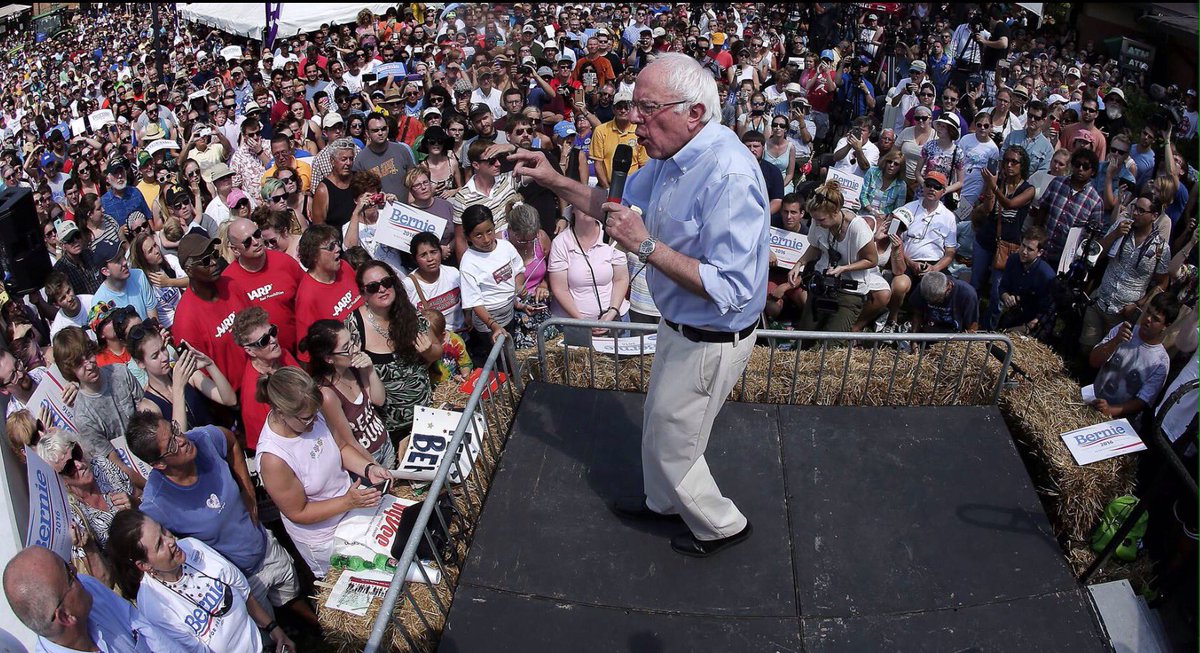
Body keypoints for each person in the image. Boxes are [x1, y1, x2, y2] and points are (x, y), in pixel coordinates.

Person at [511, 53, 764, 557]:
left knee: (675, 444)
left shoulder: (728, 175)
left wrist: (645, 246)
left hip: (710, 337)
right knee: (657, 421)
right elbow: (613, 206)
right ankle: (662, 503)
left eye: (648, 109)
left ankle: (720, 526)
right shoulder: (672, 156)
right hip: (677, 325)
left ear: (694, 113)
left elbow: (731, 286)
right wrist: (554, 180)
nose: (635, 121)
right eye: (633, 106)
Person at [126, 411, 316, 629]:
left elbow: (231, 442)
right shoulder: (157, 503)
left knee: (292, 596)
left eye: (175, 429)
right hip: (239, 583)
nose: (182, 440)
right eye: (171, 444)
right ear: (159, 464)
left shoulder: (203, 439)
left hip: (265, 548)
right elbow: (150, 551)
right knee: (269, 630)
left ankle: (311, 627)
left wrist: (247, 489)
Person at [254, 367, 388, 577]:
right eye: (307, 418)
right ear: (281, 413)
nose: (314, 422)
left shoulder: (313, 411)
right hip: (325, 537)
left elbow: (341, 447)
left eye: (315, 413)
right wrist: (347, 502)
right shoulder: (274, 459)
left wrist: (368, 468)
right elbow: (298, 512)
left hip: (352, 509)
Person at [106, 510, 293, 653]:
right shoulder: (154, 607)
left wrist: (273, 628)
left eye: (163, 530)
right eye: (159, 544)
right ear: (144, 565)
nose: (170, 540)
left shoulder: (192, 546)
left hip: (259, 640)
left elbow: (242, 590)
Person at [345, 261, 440, 442]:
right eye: (373, 287)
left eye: (386, 282)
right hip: (388, 429)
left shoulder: (408, 313)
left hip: (425, 415)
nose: (382, 289)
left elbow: (437, 351)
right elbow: (350, 378)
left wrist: (428, 351)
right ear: (363, 293)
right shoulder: (353, 326)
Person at [3, 545, 156, 653]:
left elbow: (149, 633)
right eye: (70, 576)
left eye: (67, 565)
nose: (75, 570)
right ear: (65, 616)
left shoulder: (89, 588)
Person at [52, 326, 146, 489]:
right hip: (135, 473)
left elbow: (148, 412)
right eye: (79, 364)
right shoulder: (83, 416)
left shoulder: (120, 372)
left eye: (88, 355)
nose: (89, 365)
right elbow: (116, 464)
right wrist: (148, 484)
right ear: (70, 370)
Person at [1081, 192, 1171, 351]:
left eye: (1141, 211)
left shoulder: (1161, 248)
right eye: (1135, 208)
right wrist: (1115, 234)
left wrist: (1139, 304)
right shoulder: (1121, 227)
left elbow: (1162, 283)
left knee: (1107, 355)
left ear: (1154, 216)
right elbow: (1096, 254)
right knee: (1085, 348)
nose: (1135, 213)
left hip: (1122, 315)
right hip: (1100, 300)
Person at [300, 319, 396, 467]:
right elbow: (349, 443)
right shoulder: (327, 395)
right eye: (346, 347)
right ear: (329, 358)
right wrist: (375, 468)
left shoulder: (354, 367)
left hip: (385, 443)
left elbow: (379, 400)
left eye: (352, 340)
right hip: (368, 459)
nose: (355, 348)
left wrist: (370, 370)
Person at [786, 182, 876, 333]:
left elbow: (872, 260)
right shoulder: (817, 220)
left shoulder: (857, 227)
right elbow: (815, 245)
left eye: (821, 220)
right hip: (822, 284)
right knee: (806, 335)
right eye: (815, 219)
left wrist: (844, 268)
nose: (817, 224)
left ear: (835, 211)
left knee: (832, 342)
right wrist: (799, 264)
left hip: (850, 289)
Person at [171, 233, 251, 392]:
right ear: (189, 270)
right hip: (233, 396)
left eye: (214, 254)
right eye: (206, 261)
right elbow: (201, 377)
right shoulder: (185, 320)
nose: (214, 262)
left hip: (260, 375)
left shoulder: (231, 284)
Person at [884, 171, 958, 332]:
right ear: (923, 187)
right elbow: (895, 240)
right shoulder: (907, 209)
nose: (932, 189)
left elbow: (950, 253)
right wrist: (911, 263)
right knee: (899, 285)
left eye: (937, 187)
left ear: (943, 191)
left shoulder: (949, 217)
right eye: (928, 185)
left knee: (948, 288)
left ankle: (930, 325)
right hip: (907, 260)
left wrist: (935, 268)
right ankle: (892, 320)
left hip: (934, 264)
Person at [973, 145, 1036, 329]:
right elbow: (987, 209)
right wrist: (990, 186)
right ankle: (971, 323)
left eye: (1014, 162)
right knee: (976, 284)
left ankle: (989, 330)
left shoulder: (1028, 189)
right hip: (986, 240)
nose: (1009, 165)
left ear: (1022, 165)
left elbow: (1010, 204)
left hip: (1008, 246)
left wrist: (992, 185)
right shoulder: (997, 181)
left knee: (997, 293)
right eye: (1006, 161)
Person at [128, 324, 234, 432]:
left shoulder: (187, 374)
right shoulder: (148, 407)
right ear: (140, 363)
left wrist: (210, 365)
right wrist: (178, 389)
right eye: (155, 356)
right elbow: (178, 438)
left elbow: (230, 400)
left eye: (163, 349)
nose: (164, 357)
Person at [548, 206, 630, 345]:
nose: (588, 208)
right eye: (581, 204)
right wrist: (583, 322)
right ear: (572, 210)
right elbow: (560, 288)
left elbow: (621, 279)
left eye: (591, 204)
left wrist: (611, 313)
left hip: (615, 320)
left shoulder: (613, 236)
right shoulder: (560, 243)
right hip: (574, 326)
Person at [1088, 295, 1178, 419]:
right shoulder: (1123, 330)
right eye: (1148, 312)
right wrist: (1115, 341)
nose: (1148, 319)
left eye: (1155, 319)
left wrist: (1110, 410)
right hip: (1091, 399)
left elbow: (1142, 401)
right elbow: (1093, 361)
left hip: (1117, 418)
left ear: (1166, 326)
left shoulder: (1161, 362)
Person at [223, 218, 304, 354]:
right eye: (247, 242)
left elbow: (308, 298)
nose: (255, 242)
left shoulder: (284, 262)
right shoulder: (228, 282)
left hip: (301, 348)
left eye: (257, 234)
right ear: (235, 250)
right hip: (264, 359)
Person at [458, 204, 526, 363]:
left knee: (511, 353)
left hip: (509, 311)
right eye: (478, 235)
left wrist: (518, 287)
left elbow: (518, 270)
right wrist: (493, 325)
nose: (486, 239)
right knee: (499, 359)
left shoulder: (506, 246)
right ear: (468, 237)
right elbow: (475, 302)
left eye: (489, 231)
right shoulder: (468, 263)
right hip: (487, 321)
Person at [1031, 148, 1105, 267]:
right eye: (1077, 164)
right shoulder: (1057, 183)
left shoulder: (1095, 202)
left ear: (1093, 172)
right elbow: (1042, 211)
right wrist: (1034, 239)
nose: (1080, 169)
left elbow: (1093, 237)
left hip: (1064, 262)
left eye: (1085, 167)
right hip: (1041, 251)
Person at [294, 224, 363, 342]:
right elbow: (307, 346)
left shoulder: (344, 267)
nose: (338, 249)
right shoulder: (307, 297)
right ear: (314, 255)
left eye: (337, 243)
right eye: (331, 247)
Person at [995, 227, 1057, 333]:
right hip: (1015, 315)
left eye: (1030, 249)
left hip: (1036, 325)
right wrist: (1007, 297)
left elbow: (1049, 311)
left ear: (1040, 252)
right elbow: (1003, 287)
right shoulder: (1013, 260)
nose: (1024, 252)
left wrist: (1027, 327)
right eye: (1023, 245)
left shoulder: (1046, 276)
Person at [353, 112, 417, 200]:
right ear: (367, 133)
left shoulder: (402, 150)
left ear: (388, 129)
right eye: (375, 130)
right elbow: (360, 193)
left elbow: (414, 179)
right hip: (377, 207)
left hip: (404, 206)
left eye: (383, 129)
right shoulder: (360, 160)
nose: (380, 133)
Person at [128, 232, 186, 330]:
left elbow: (192, 281)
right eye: (150, 251)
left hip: (186, 312)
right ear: (143, 259)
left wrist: (169, 282)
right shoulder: (143, 283)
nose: (156, 251)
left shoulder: (170, 261)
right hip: (170, 326)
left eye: (155, 245)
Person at [910, 270, 980, 333]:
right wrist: (914, 339)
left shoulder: (967, 294)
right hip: (928, 330)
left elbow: (972, 325)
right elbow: (917, 314)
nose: (934, 303)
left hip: (956, 334)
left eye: (938, 300)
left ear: (949, 286)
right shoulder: (922, 288)